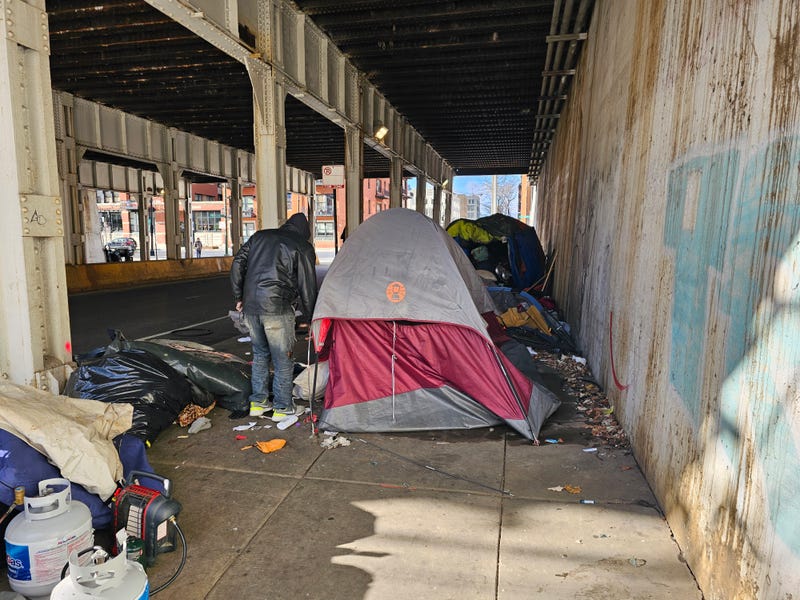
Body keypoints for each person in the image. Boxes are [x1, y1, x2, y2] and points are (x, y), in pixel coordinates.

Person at [230, 213, 317, 421]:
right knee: (283, 358)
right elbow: (308, 287)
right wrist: (312, 317)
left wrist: (239, 295)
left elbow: (237, 264)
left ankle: (258, 404)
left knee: (260, 355)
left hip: (251, 307)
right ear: (305, 231)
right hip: (277, 308)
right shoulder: (302, 246)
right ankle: (283, 407)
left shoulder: (259, 237)